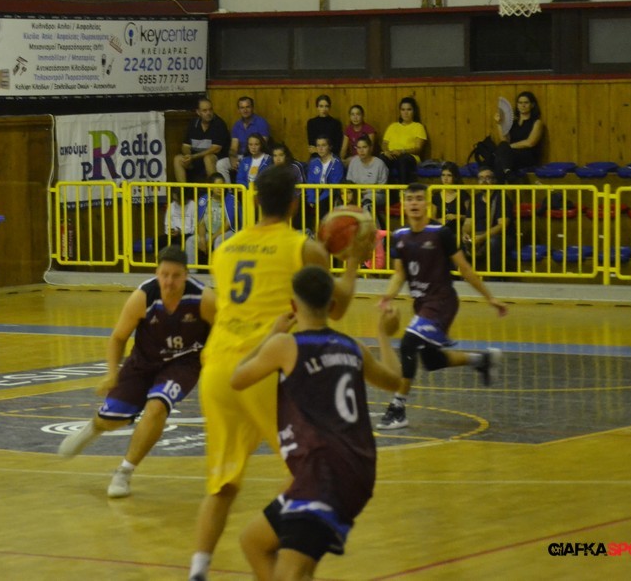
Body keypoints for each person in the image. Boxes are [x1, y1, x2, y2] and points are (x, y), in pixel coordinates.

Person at [188, 165, 373, 581]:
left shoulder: (224, 248)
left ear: (255, 201)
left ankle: (197, 571)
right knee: (308, 478)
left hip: (218, 370)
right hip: (267, 367)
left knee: (222, 485)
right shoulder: (303, 248)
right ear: (294, 204)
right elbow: (336, 308)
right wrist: (351, 263)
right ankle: (289, 563)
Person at [231, 265, 402, 581]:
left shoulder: (285, 345)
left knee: (290, 574)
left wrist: (271, 336)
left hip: (324, 472)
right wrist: (383, 335)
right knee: (254, 542)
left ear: (293, 306)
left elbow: (237, 378)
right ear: (332, 305)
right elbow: (395, 381)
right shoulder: (353, 347)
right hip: (352, 469)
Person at [58, 246, 216, 497]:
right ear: (156, 273)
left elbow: (224, 331)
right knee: (113, 419)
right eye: (164, 275)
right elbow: (118, 337)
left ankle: (124, 471)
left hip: (183, 363)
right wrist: (112, 373)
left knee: (157, 406)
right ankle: (93, 428)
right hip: (143, 362)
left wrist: (215, 360)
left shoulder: (203, 299)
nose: (169, 281)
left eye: (176, 276)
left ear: (186, 275)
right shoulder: (143, 296)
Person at [379, 182, 508, 430]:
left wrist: (490, 298)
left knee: (408, 343)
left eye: (419, 199)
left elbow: (465, 269)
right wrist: (388, 296)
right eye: (410, 199)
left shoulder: (441, 233)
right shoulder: (400, 236)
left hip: (442, 302)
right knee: (432, 360)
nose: (414, 203)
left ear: (427, 204)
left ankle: (397, 408)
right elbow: (399, 273)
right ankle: (482, 360)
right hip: (422, 304)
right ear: (403, 204)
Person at [185, 173, 240, 267]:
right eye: (216, 186)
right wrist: (202, 239)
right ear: (210, 187)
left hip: (228, 232)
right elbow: (201, 222)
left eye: (222, 185)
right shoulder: (204, 200)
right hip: (209, 233)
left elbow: (227, 225)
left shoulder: (231, 200)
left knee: (219, 240)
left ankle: (218, 271)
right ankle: (192, 272)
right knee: (191, 241)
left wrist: (211, 240)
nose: (220, 188)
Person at [217, 96, 273, 183]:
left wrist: (245, 160)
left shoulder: (261, 123)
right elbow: (233, 148)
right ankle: (228, 190)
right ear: (238, 110)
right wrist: (232, 158)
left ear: (252, 108)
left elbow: (262, 145)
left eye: (247, 107)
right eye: (242, 108)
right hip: (240, 156)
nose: (245, 110)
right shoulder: (237, 125)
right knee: (221, 164)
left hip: (254, 155)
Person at [174, 98, 231, 183]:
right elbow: (185, 146)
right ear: (198, 112)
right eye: (205, 110)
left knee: (208, 158)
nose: (208, 113)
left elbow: (216, 149)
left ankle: (213, 189)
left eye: (210, 109)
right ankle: (182, 190)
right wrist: (188, 156)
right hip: (195, 158)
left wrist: (194, 156)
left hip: (214, 158)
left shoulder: (219, 124)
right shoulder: (193, 124)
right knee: (178, 159)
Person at [494, 91, 544, 182]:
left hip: (528, 156)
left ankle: (501, 184)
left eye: (526, 103)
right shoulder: (513, 123)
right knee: (501, 153)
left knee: (500, 157)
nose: (523, 105)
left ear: (532, 105)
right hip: (511, 155)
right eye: (520, 103)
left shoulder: (537, 122)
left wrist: (509, 147)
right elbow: (504, 140)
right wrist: (499, 123)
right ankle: (508, 174)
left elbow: (530, 143)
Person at [381, 97, 428, 184]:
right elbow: (384, 143)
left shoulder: (418, 127)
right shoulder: (393, 126)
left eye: (409, 109)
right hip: (392, 155)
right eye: (403, 110)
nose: (405, 113)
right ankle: (383, 190)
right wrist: (386, 151)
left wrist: (402, 151)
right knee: (381, 158)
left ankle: (403, 190)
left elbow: (418, 149)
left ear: (414, 111)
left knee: (403, 160)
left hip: (408, 157)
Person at [344, 135, 388, 225]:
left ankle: (374, 231)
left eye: (364, 147)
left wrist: (367, 191)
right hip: (356, 194)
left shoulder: (379, 164)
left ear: (370, 148)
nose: (361, 150)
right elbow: (349, 183)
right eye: (359, 148)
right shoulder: (353, 162)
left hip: (376, 194)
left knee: (366, 203)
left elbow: (382, 187)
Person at [304, 136, 345, 232]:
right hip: (316, 194)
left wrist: (317, 199)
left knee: (323, 203)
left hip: (331, 194)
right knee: (301, 203)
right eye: (318, 146)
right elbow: (310, 182)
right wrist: (311, 199)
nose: (320, 148)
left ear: (330, 147)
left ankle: (323, 233)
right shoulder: (313, 163)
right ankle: (307, 232)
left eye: (323, 145)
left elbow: (334, 185)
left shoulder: (337, 163)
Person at [430, 161, 468, 236]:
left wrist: (457, 216)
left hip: (459, 232)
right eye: (443, 175)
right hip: (440, 233)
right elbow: (432, 219)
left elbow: (471, 217)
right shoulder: (436, 197)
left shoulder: (463, 195)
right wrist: (439, 221)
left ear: (455, 177)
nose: (445, 178)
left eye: (449, 175)